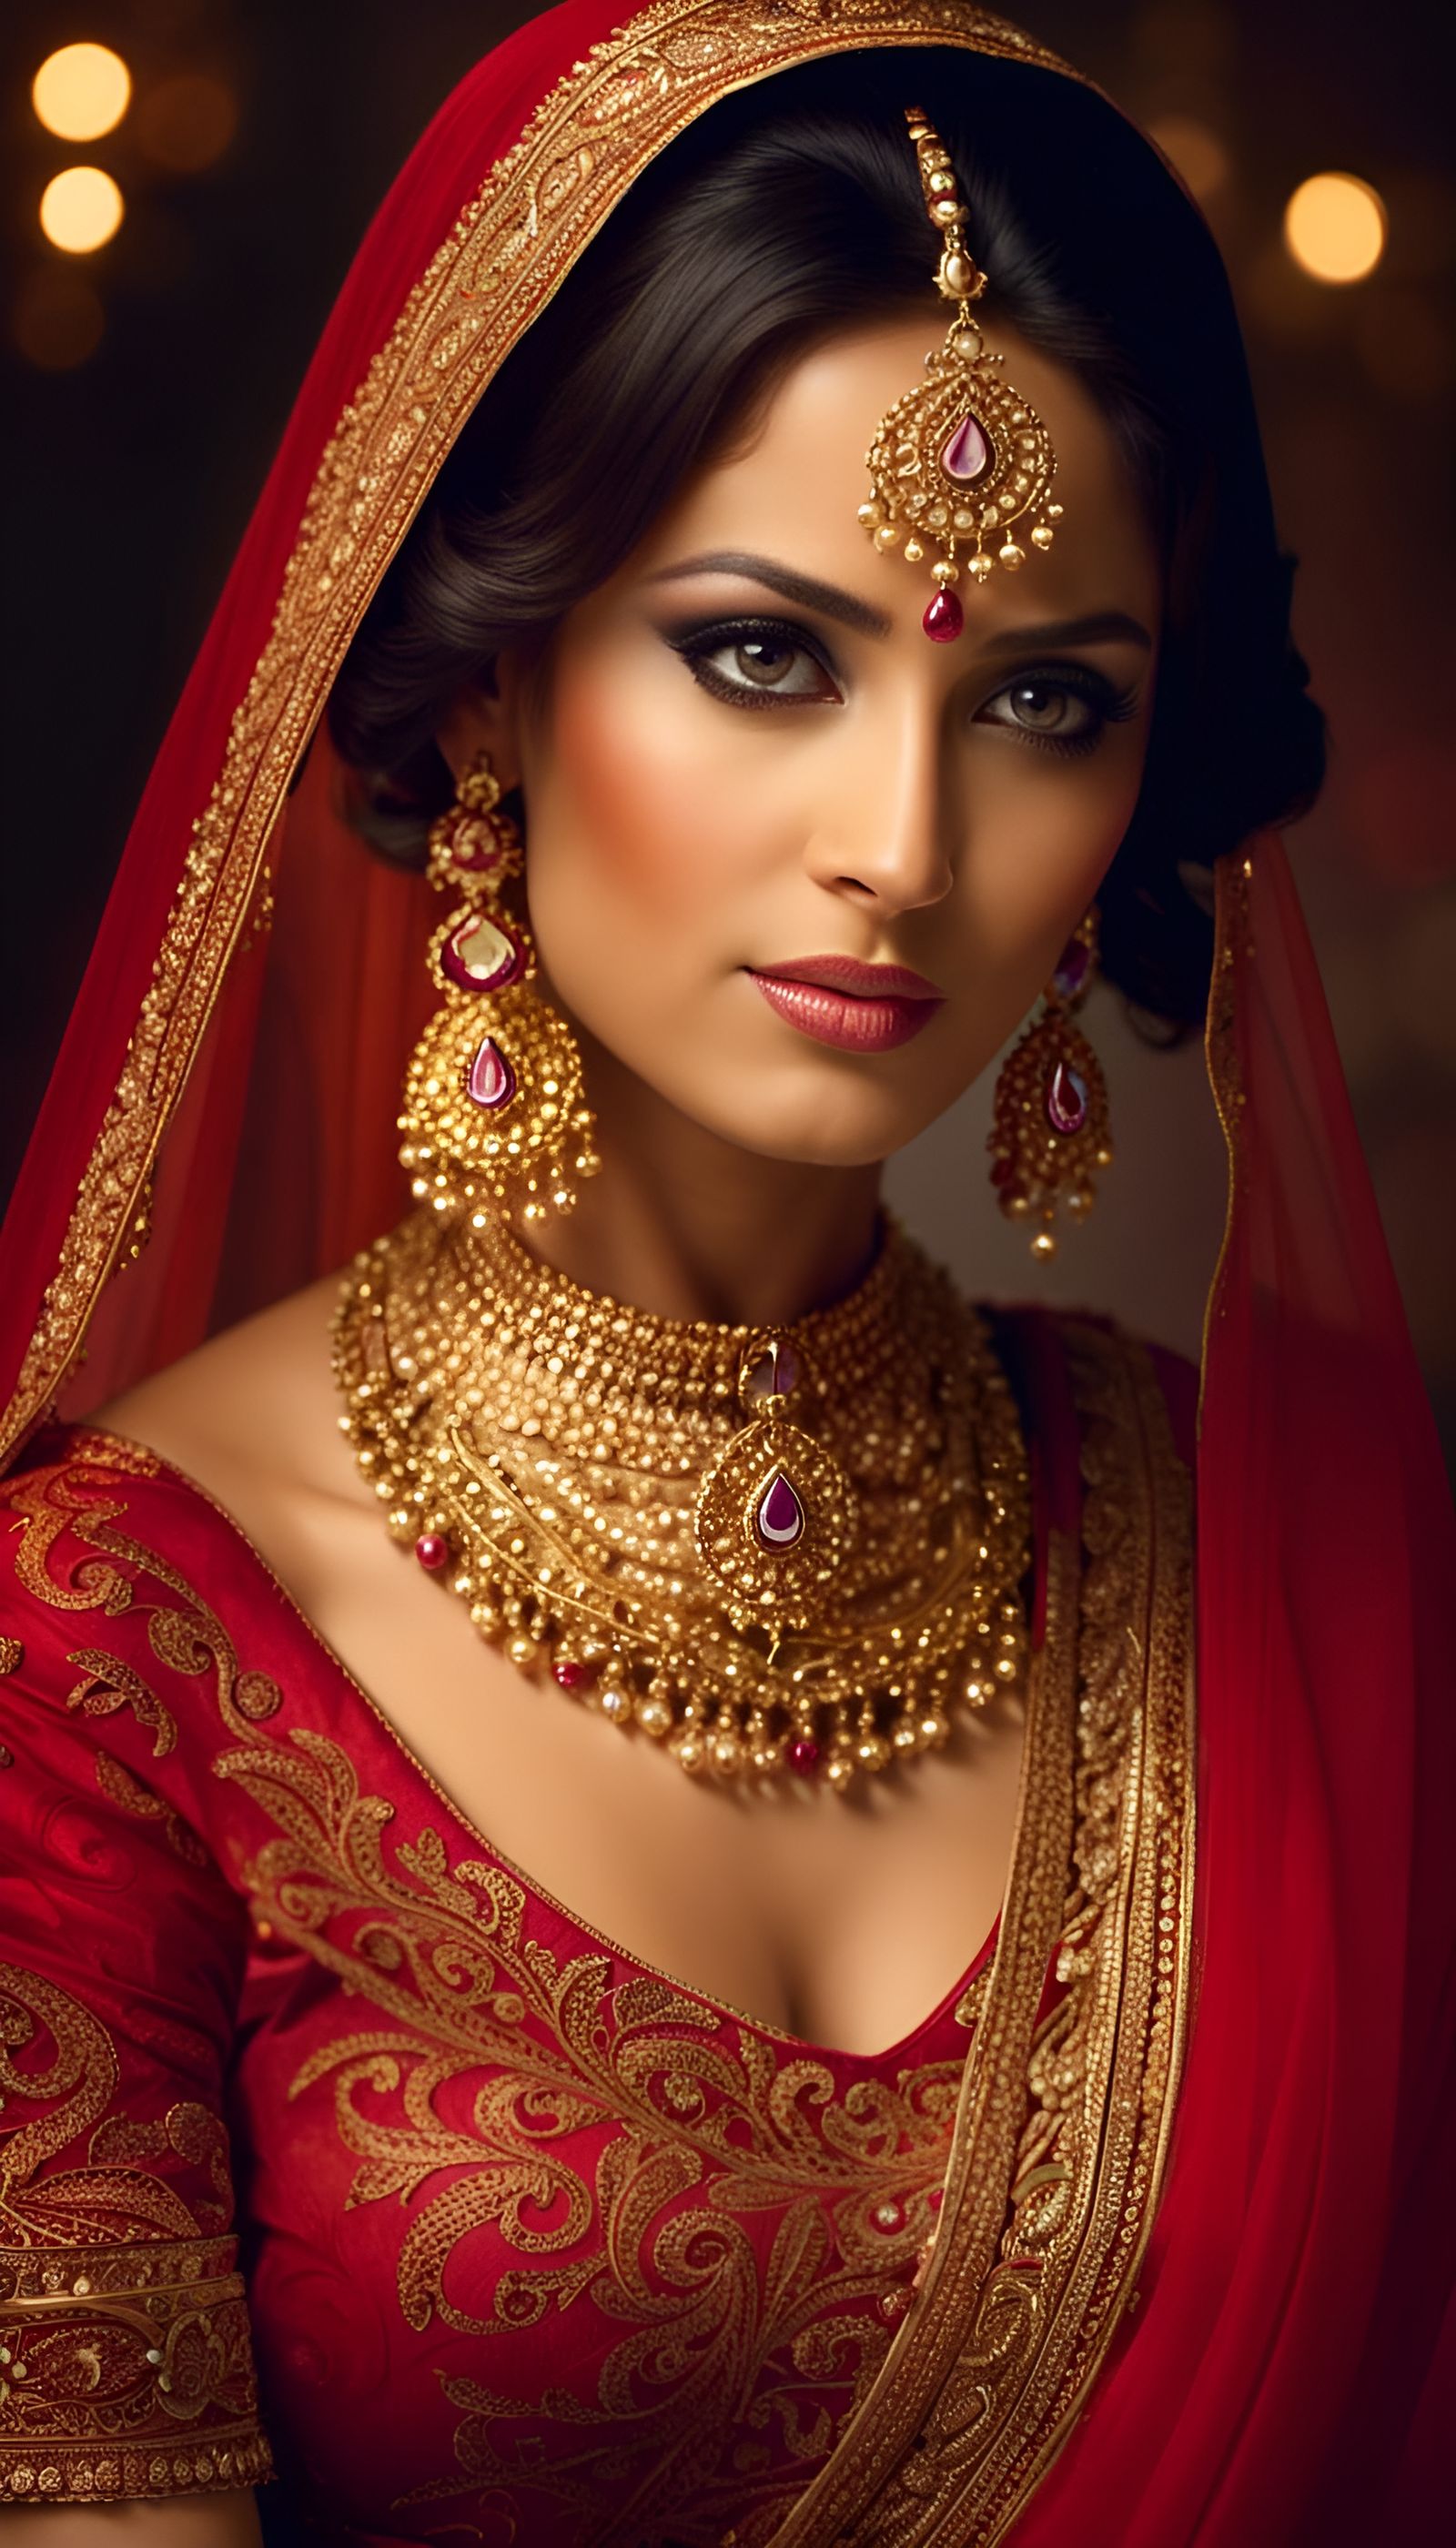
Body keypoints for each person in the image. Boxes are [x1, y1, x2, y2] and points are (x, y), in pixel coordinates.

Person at [1, 3, 1451, 2541]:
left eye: (1041, 698)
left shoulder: (1271, 1559)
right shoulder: (104, 1655)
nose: (905, 841)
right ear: (493, 678)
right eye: (766, 652)